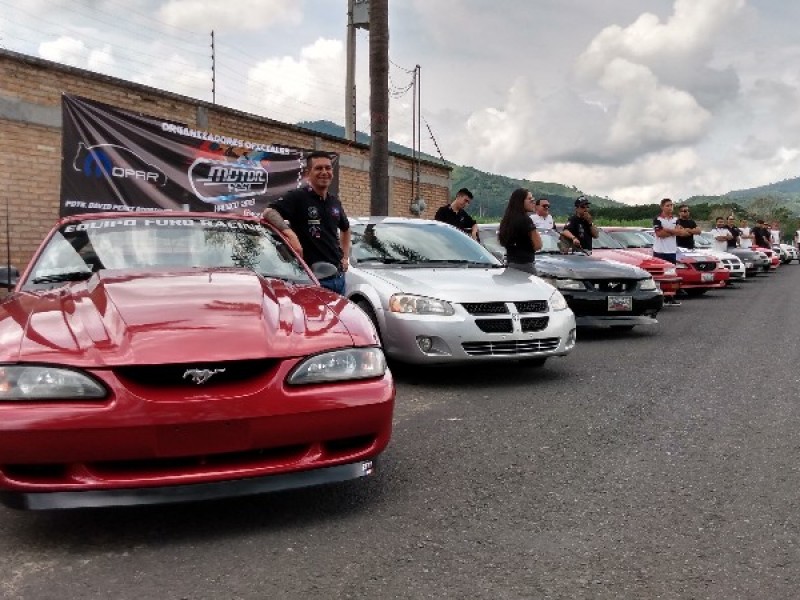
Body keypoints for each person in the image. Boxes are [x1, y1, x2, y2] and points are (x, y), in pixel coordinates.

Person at [260, 151, 350, 295]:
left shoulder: (335, 202)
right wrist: (290, 234)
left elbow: (346, 228)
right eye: (319, 168)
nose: (324, 172)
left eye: (328, 168)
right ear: (308, 173)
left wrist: (345, 257)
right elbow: (269, 212)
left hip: (339, 279)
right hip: (312, 280)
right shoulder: (298, 197)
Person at [498, 188, 542, 274]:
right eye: (529, 199)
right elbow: (538, 245)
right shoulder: (526, 220)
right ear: (520, 201)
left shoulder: (507, 220)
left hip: (510, 265)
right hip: (525, 266)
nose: (533, 201)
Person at [651, 198, 684, 305]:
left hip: (671, 251)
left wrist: (668, 230)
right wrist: (673, 231)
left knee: (671, 275)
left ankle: (670, 296)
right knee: (659, 276)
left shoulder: (676, 219)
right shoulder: (657, 219)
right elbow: (660, 234)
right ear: (662, 207)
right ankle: (659, 297)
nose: (670, 207)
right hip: (659, 251)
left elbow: (680, 232)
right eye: (667, 205)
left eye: (671, 205)